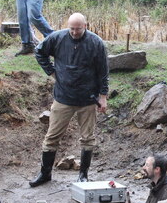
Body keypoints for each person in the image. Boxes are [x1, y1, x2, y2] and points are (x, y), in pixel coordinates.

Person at [29, 12, 109, 187]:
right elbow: (39, 52)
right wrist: (51, 71)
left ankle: (83, 175)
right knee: (51, 137)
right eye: (71, 29)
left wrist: (103, 97)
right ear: (68, 26)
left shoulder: (96, 43)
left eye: (78, 29)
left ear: (85, 26)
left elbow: (103, 71)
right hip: (63, 97)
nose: (74, 32)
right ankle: (45, 174)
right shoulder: (57, 38)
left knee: (88, 138)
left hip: (88, 99)